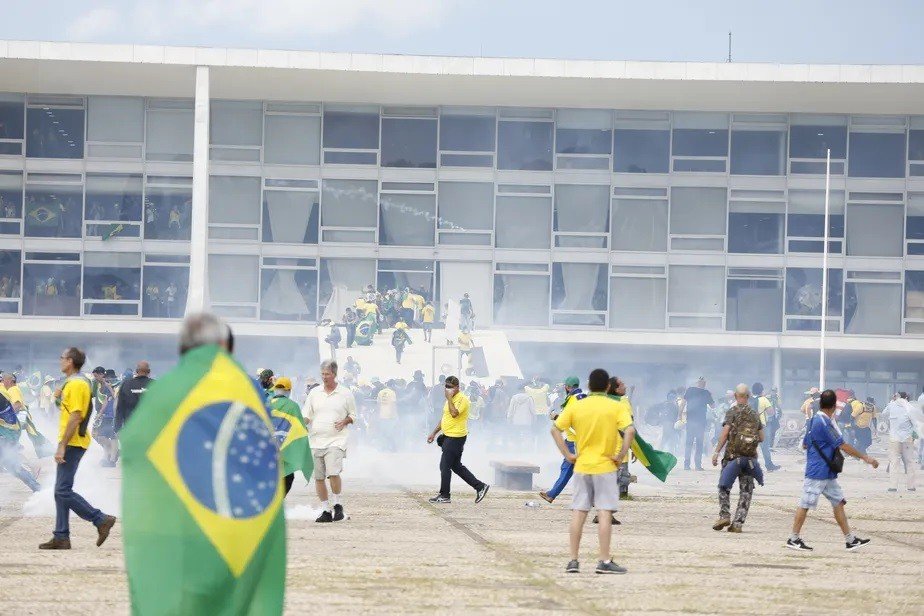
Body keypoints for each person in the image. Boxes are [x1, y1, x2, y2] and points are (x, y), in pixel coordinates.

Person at [551, 368, 635, 575]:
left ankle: (573, 560)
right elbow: (630, 430)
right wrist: (621, 453)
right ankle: (604, 560)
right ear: (607, 386)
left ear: (589, 386)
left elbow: (555, 428)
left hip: (582, 465)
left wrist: (567, 455)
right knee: (604, 512)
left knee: (579, 512)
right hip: (606, 466)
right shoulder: (615, 406)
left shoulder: (578, 406)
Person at [39, 347, 116, 550]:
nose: (60, 360)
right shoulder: (74, 383)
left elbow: (76, 416)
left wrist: (61, 446)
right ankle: (61, 536)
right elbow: (65, 408)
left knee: (62, 490)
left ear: (71, 361)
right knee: (60, 490)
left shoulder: (77, 384)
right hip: (73, 440)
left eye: (62, 357)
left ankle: (100, 519)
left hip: (73, 442)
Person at [786, 389, 879, 552]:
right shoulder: (824, 423)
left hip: (827, 472)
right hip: (817, 472)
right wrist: (865, 458)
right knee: (805, 504)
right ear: (834, 407)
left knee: (838, 502)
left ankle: (850, 540)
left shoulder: (814, 420)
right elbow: (842, 444)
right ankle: (793, 539)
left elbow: (805, 444)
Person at [303, 360, 356, 523]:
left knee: (333, 472)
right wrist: (300, 424)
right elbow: (307, 415)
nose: (324, 377)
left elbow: (353, 415)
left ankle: (338, 504)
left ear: (334, 374)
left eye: (327, 374)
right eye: (323, 374)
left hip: (336, 440)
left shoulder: (345, 393)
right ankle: (326, 509)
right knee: (318, 477)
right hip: (316, 441)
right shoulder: (314, 393)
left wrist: (344, 421)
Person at [426, 375, 490, 504]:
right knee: (456, 466)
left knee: (444, 466)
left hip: (456, 437)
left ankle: (445, 495)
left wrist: (449, 398)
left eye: (451, 387)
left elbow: (454, 414)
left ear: (457, 387)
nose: (448, 389)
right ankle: (480, 486)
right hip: (448, 435)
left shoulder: (462, 399)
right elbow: (445, 418)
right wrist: (434, 432)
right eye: (446, 387)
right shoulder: (449, 400)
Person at [712, 384, 763, 533]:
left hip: (732, 457)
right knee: (746, 491)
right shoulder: (754, 414)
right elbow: (762, 437)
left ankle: (724, 515)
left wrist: (716, 452)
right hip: (749, 459)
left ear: (735, 396)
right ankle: (738, 524)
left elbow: (725, 432)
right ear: (748, 397)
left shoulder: (732, 412)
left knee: (724, 486)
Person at [540, 376, 585, 504]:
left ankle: (593, 499)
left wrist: (555, 417)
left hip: (575, 440)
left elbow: (569, 421)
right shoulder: (582, 397)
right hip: (578, 438)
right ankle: (552, 494)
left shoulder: (572, 400)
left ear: (567, 387)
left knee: (575, 469)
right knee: (568, 469)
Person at [269, 377, 314, 496]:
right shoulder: (293, 406)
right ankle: (277, 503)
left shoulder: (266, 403)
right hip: (285, 449)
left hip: (268, 449)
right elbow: (300, 428)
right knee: (288, 477)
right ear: (288, 391)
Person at [0, 385, 40, 492]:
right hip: (8, 432)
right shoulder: (3, 390)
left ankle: (38, 488)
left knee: (11, 464)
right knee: (11, 464)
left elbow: (16, 405)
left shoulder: (5, 391)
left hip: (6, 433)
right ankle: (37, 487)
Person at [881, 392, 918, 492]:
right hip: (907, 439)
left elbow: (884, 414)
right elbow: (915, 423)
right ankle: (911, 486)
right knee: (910, 462)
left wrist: (891, 401)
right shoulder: (910, 407)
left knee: (894, 462)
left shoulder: (891, 405)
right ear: (907, 397)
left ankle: (893, 486)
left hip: (894, 439)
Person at [683, 377, 714, 470]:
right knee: (699, 443)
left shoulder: (690, 390)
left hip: (690, 421)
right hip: (700, 422)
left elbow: (683, 403)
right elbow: (712, 406)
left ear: (697, 383)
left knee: (689, 443)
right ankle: (698, 465)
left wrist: (680, 415)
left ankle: (686, 465)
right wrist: (711, 397)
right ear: (704, 384)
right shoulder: (706, 393)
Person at [91, 367, 119, 467]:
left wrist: (110, 387)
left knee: (112, 436)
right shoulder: (100, 385)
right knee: (101, 436)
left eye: (96, 376)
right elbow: (105, 400)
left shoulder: (115, 385)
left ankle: (111, 459)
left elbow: (116, 397)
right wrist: (99, 413)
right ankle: (111, 452)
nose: (95, 378)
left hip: (113, 415)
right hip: (105, 414)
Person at [115, 361, 153, 433]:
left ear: (136, 371)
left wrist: (117, 428)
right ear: (149, 371)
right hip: (149, 428)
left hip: (130, 427)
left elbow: (120, 407)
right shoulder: (155, 385)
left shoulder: (126, 384)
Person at [750, 382, 781, 472]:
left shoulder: (748, 399)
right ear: (761, 390)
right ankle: (769, 465)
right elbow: (771, 412)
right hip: (761, 426)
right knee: (765, 447)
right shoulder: (763, 399)